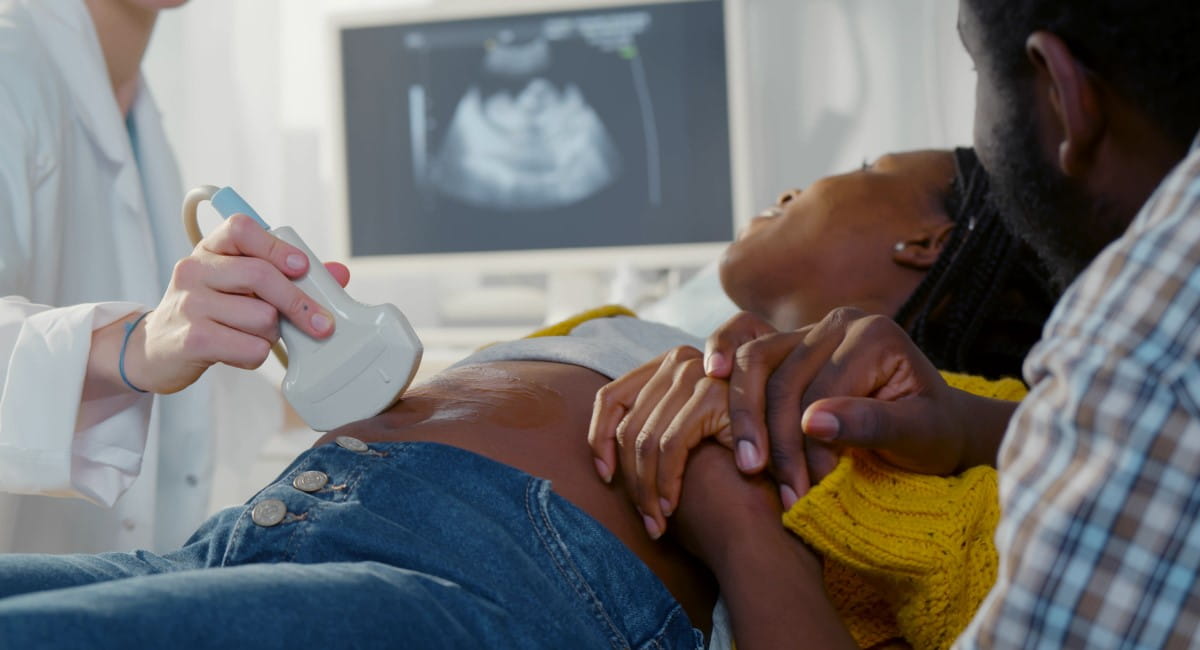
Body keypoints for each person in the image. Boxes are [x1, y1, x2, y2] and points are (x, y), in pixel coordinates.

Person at [0, 149, 1056, 648]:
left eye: (867, 165)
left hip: (472, 595)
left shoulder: (936, 434)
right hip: (250, 537)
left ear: (923, 242)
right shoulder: (645, 325)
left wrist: (737, 522)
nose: (801, 182)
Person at [689, 1, 1200, 647]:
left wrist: (739, 522)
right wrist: (968, 425)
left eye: (976, 71)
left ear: (1061, 91)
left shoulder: (1141, 357)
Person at [0, 0, 347, 554]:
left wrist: (353, 382)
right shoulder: (11, 68)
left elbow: (187, 391)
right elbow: (151, 348)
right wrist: (131, 345)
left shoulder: (130, 98)